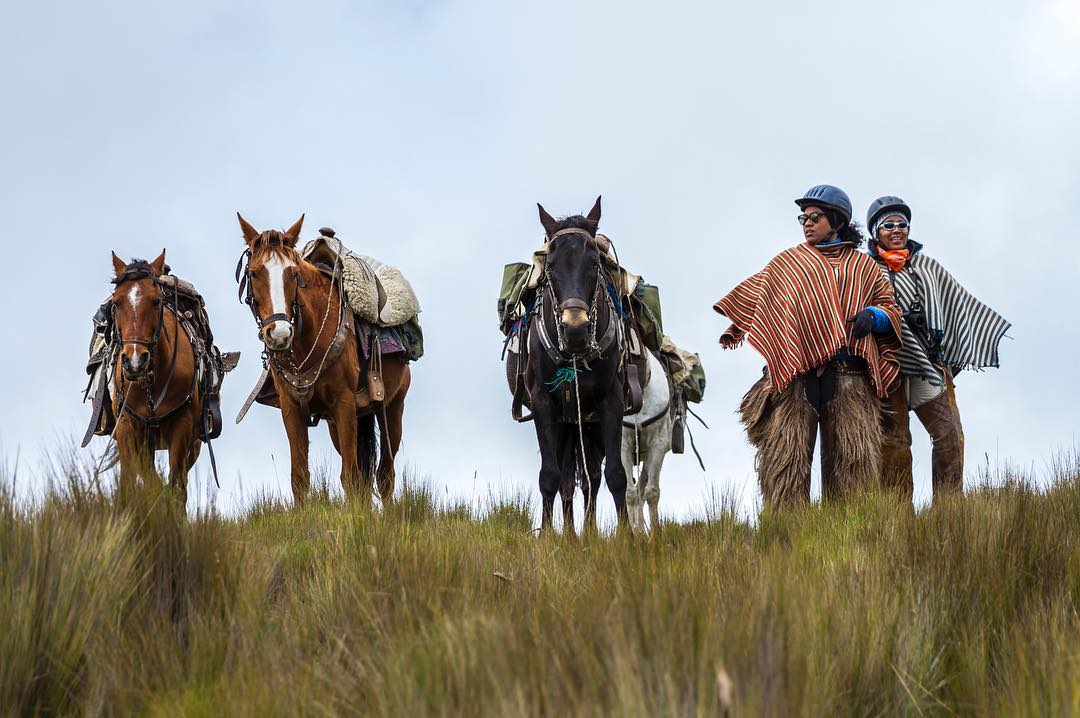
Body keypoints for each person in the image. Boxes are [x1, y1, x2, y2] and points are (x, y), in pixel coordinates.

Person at [714, 185, 902, 505]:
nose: (807, 223)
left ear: (836, 221)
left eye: (815, 217)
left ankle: (849, 529)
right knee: (785, 462)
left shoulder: (863, 267)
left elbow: (890, 308)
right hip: (796, 376)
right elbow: (761, 298)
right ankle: (786, 529)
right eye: (803, 218)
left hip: (849, 375)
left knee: (853, 465)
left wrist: (875, 316)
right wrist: (746, 330)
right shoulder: (789, 263)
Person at [865, 196, 1010, 500]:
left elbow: (956, 305)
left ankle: (948, 509)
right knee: (894, 443)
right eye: (888, 225)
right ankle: (898, 517)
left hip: (928, 364)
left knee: (949, 435)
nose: (897, 230)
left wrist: (949, 351)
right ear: (876, 232)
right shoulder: (864, 270)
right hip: (887, 368)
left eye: (902, 224)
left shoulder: (927, 267)